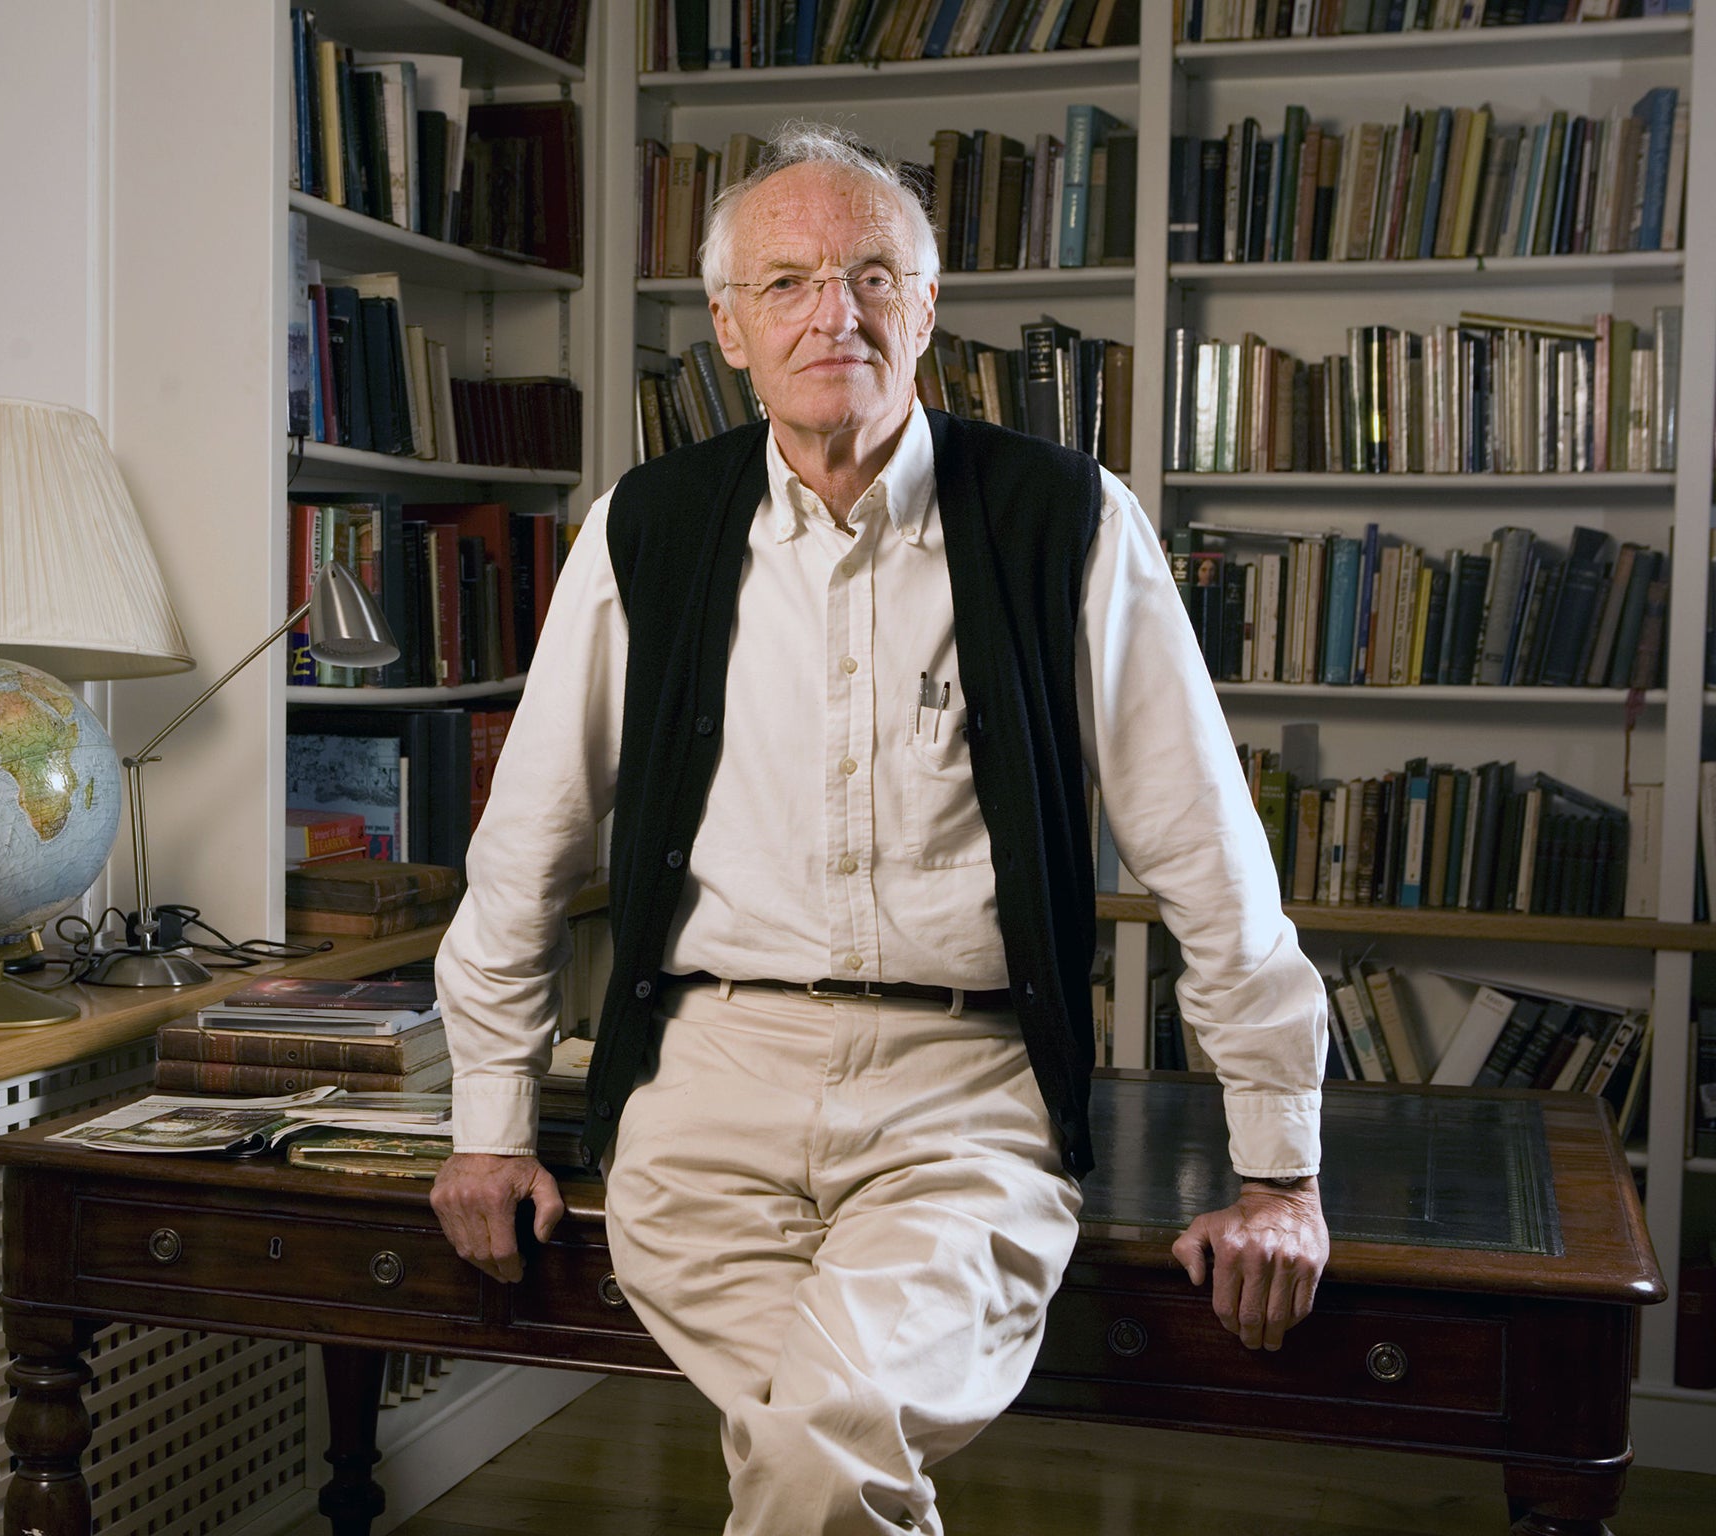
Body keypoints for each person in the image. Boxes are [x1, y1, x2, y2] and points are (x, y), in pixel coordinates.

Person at [431, 121, 1330, 1536]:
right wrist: (488, 1125)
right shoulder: (643, 530)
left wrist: (1279, 1166)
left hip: (964, 1096)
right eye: (785, 282)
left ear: (927, 304)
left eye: (869, 274)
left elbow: (1208, 851)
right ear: (727, 329)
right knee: (826, 1451)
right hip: (702, 1089)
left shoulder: (1070, 523)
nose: (830, 313)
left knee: (813, 1455)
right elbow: (525, 849)